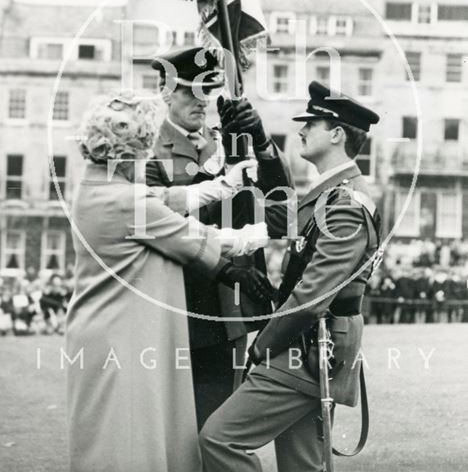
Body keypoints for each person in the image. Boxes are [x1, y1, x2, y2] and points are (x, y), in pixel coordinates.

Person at [66, 90, 272, 472]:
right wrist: (261, 234)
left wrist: (224, 185)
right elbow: (189, 235)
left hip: (100, 328)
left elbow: (163, 198)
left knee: (110, 437)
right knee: (129, 440)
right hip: (122, 332)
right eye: (143, 150)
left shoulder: (95, 186)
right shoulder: (127, 202)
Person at [200, 81, 381, 472]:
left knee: (220, 438)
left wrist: (262, 346)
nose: (301, 131)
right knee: (302, 466)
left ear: (336, 134)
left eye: (311, 124)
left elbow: (313, 296)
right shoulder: (329, 194)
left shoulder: (345, 204)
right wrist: (259, 144)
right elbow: (281, 211)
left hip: (311, 345)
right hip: (308, 346)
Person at [147, 46, 293, 428]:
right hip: (182, 302)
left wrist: (258, 140)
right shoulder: (148, 151)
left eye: (206, 91)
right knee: (181, 430)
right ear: (165, 91)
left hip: (231, 307)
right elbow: (164, 225)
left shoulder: (223, 139)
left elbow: (281, 197)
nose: (201, 101)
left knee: (219, 426)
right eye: (189, 91)